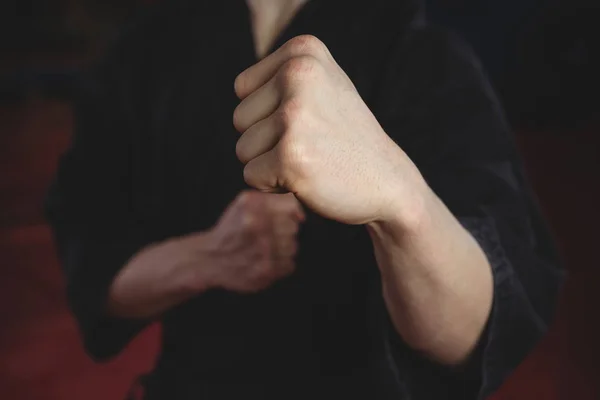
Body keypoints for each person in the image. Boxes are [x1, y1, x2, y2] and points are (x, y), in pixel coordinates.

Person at [45, 0, 564, 399]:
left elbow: (477, 328)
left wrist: (402, 200)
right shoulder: (140, 56)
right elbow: (96, 276)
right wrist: (208, 256)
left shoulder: (422, 55)